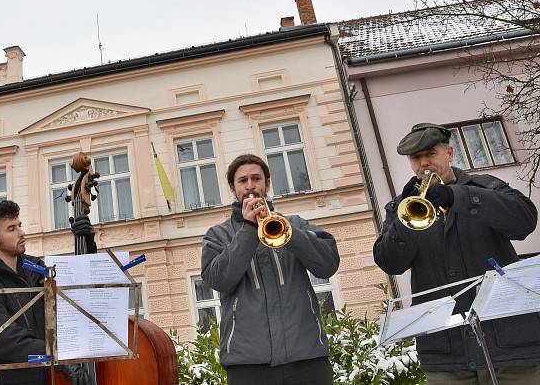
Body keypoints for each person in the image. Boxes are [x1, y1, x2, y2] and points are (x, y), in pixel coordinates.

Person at [374, 123, 540, 383]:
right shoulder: (401, 207)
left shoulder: (485, 187)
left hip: (510, 348)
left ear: (449, 154)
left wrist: (458, 197)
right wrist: (402, 223)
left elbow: (525, 221)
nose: (424, 163)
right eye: (416, 158)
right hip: (446, 353)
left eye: (430, 154)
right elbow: (389, 262)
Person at [201, 154, 340, 385]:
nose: (250, 185)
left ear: (267, 184)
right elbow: (218, 280)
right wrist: (247, 230)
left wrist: (291, 234)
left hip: (307, 359)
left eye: (256, 178)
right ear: (233, 189)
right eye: (242, 180)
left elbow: (327, 265)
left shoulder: (295, 224)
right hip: (249, 366)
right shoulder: (218, 235)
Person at [0, 200, 95, 385]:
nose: (22, 233)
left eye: (20, 225)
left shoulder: (38, 268)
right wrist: (56, 355)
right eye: (11, 229)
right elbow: (6, 339)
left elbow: (80, 298)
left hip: (50, 378)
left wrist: (88, 247)